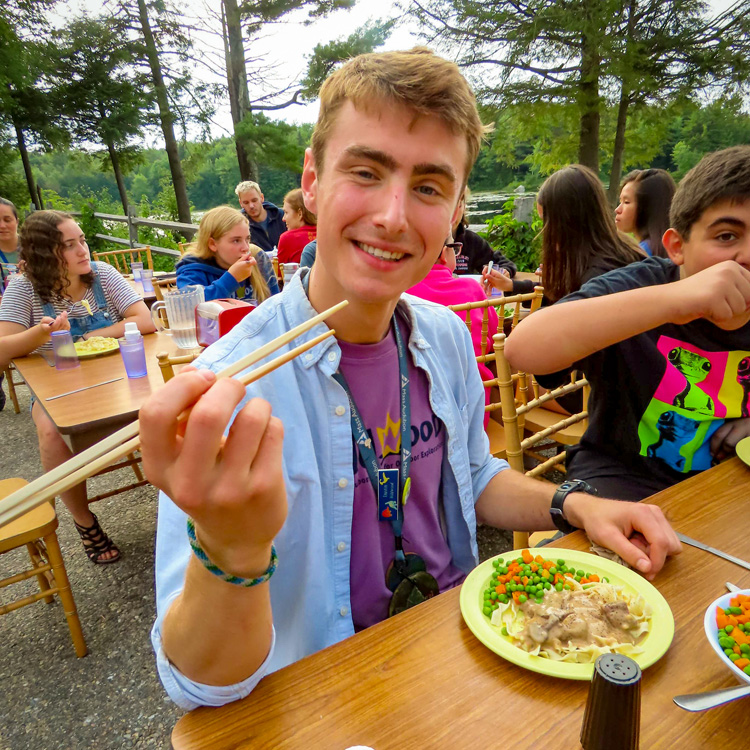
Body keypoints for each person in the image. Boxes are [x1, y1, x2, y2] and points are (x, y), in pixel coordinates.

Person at [139, 48, 680, 710]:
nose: (394, 216)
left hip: (458, 653)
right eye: (364, 172)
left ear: (455, 211)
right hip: (322, 695)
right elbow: (196, 684)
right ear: (312, 182)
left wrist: (577, 502)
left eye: (428, 187)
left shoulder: (444, 335)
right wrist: (232, 548)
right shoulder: (230, 385)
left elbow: (474, 473)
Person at [506, 145, 750, 502]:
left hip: (729, 488)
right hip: (621, 481)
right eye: (726, 235)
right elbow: (523, 349)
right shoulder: (640, 282)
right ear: (676, 247)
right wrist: (677, 299)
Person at [0, 210, 155, 563]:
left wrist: (88, 335)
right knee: (51, 432)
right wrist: (40, 333)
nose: (82, 250)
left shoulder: (102, 274)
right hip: (60, 385)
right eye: (69, 246)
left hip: (121, 378)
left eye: (82, 240)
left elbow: (144, 320)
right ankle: (85, 522)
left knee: (173, 402)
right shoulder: (25, 289)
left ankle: (185, 502)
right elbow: (2, 347)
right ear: (44, 254)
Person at [483, 165, 644, 302]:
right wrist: (511, 285)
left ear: (567, 222)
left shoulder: (599, 280)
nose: (543, 232)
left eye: (546, 222)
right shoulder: (615, 251)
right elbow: (561, 292)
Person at [407, 236, 498, 427]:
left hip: (419, 422)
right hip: (476, 414)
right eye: (454, 248)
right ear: (442, 253)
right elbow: (492, 335)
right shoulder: (472, 290)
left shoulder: (403, 292)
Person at [175, 206, 279, 303]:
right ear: (212, 244)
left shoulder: (258, 257)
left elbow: (276, 305)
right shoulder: (193, 268)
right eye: (236, 241)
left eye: (247, 239)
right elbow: (190, 304)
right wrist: (231, 279)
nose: (246, 248)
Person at [451, 188, 520, 282]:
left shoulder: (471, 241)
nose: (454, 213)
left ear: (464, 208)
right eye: (450, 205)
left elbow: (502, 263)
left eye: (459, 205)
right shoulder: (426, 242)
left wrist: (503, 271)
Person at [615, 168, 677, 258]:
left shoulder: (642, 256)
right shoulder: (676, 250)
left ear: (647, 207)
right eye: (620, 201)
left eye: (626, 202)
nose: (617, 210)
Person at [235, 181, 285, 252]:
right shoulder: (239, 224)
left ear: (262, 197)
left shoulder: (282, 216)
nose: (251, 206)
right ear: (240, 203)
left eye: (254, 200)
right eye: (246, 202)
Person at [277, 188, 317, 265]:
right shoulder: (326, 234)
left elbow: (280, 273)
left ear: (300, 213)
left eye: (286, 212)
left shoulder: (287, 238)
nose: (283, 219)